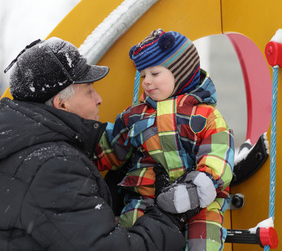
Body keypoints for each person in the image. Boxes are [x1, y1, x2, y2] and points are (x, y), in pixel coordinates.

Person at [0, 37, 195, 250]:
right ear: (62, 104)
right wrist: (170, 217)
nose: (99, 98)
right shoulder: (51, 167)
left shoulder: (24, 152)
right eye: (89, 91)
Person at [94, 29, 235, 250]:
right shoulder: (135, 115)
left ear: (181, 72)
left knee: (203, 240)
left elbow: (218, 155)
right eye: (143, 75)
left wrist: (196, 189)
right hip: (146, 199)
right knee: (129, 238)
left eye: (155, 73)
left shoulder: (206, 116)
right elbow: (111, 150)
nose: (147, 82)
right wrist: (87, 148)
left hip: (199, 203)